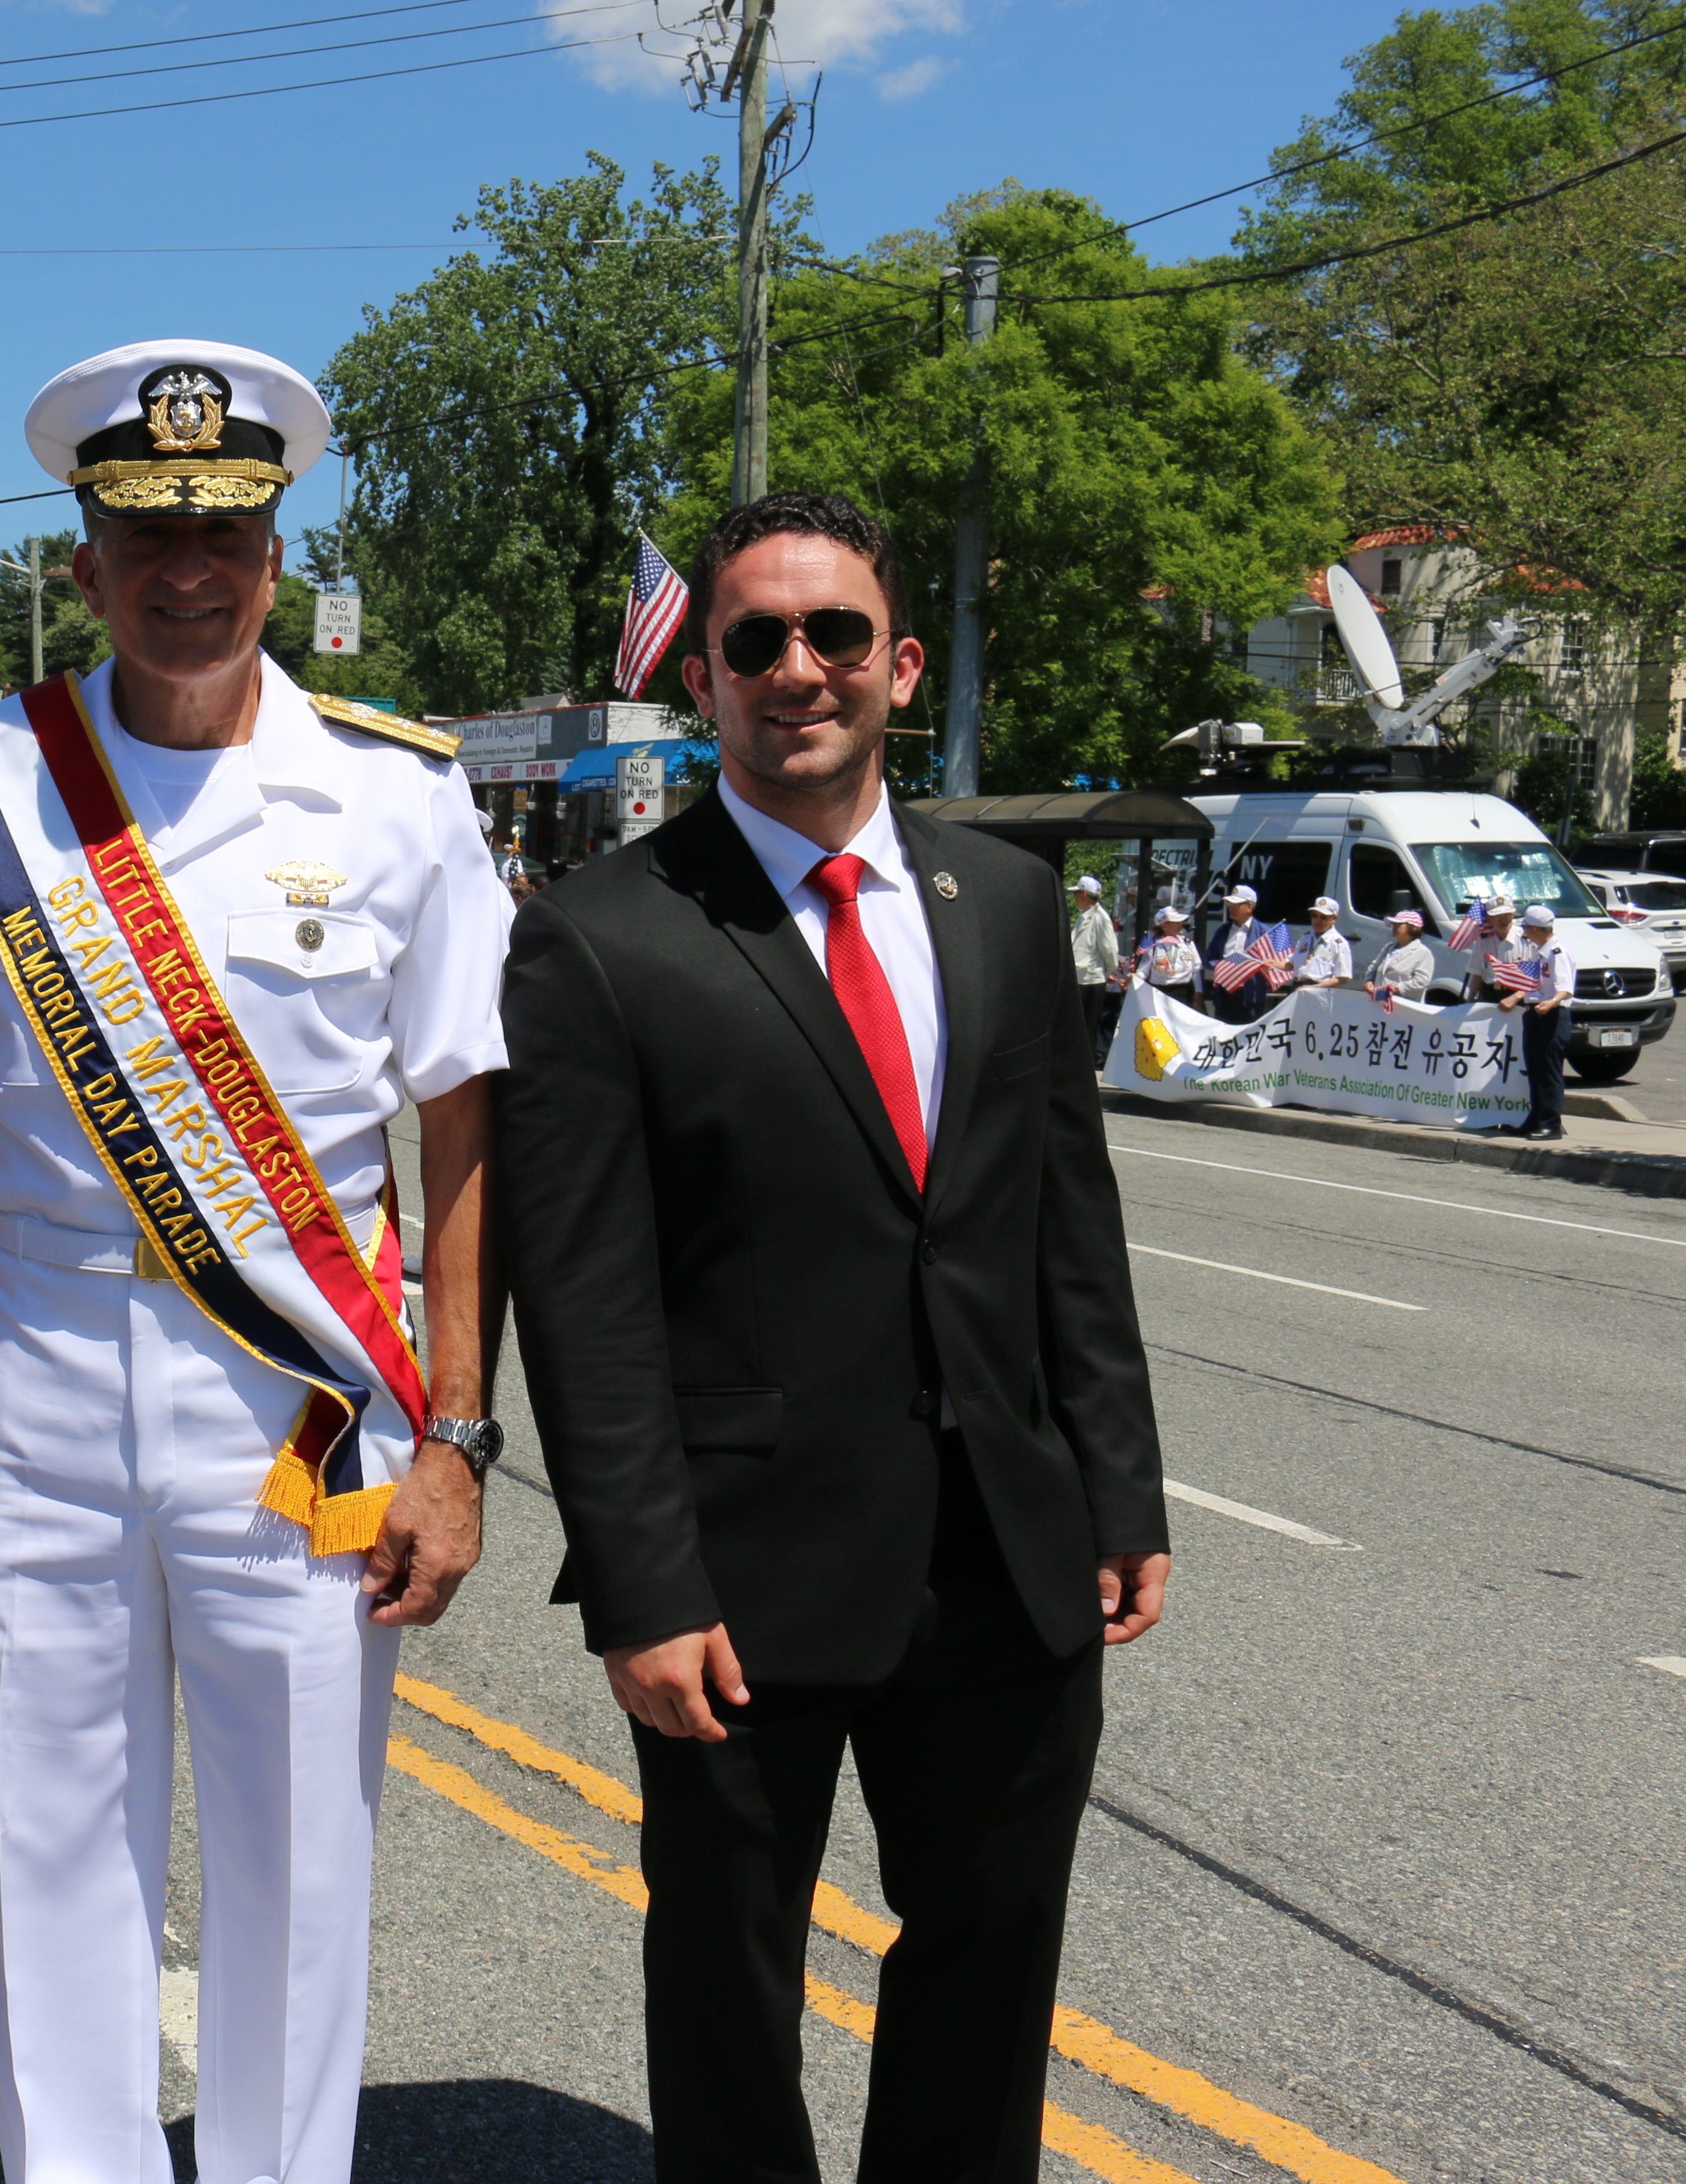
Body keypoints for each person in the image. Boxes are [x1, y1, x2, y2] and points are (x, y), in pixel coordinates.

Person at [0, 339, 510, 2184]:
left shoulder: (396, 796)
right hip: (43, 1361)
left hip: (303, 1389)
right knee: (49, 1828)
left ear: (279, 555)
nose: (188, 573)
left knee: (304, 1840)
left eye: (226, 535)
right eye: (147, 538)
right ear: (85, 560)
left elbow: (461, 1132)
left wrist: (458, 1437)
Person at [496, 490, 1168, 2184]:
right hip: (741, 1572)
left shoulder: (1005, 900)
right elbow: (584, 1293)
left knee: (993, 1949)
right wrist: (643, 1585)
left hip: (1004, 1548)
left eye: (837, 636)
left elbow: (1064, 1221)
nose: (801, 669)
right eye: (757, 640)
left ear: (902, 665)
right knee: (729, 1972)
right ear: (705, 675)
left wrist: (1120, 1485)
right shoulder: (603, 932)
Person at [1497, 901, 1575, 1139]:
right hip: (1534, 1013)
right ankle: (1535, 1119)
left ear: (1536, 929)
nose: (1524, 932)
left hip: (1551, 1015)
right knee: (1535, 1069)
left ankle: (1551, 1124)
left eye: (1527, 928)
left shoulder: (1557, 952)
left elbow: (1565, 988)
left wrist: (1552, 1002)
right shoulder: (1539, 952)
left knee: (1549, 1072)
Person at [1203, 883, 1283, 1024]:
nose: (1231, 908)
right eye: (1230, 904)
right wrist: (1221, 966)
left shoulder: (1264, 932)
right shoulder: (1223, 931)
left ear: (1250, 907)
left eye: (1236, 904)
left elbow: (1277, 962)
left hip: (1251, 995)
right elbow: (1209, 958)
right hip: (1225, 994)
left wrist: (1269, 966)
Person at [1067, 872, 1119, 1061]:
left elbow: (1110, 948)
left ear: (1084, 894)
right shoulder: (1085, 916)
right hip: (1081, 978)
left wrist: (1111, 971)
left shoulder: (1100, 917)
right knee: (1078, 1026)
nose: (1075, 898)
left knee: (1088, 1026)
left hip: (1091, 979)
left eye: (1076, 894)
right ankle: (1077, 1061)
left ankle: (1085, 1063)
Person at [1368, 906, 1433, 1001]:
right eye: (1393, 925)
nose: (1394, 927)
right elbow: (1373, 968)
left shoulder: (1423, 952)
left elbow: (1422, 981)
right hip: (1379, 1004)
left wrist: (1397, 988)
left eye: (1399, 925)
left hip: (1404, 1008)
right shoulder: (1388, 948)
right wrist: (1369, 981)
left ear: (1414, 928)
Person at [1140, 903, 1200, 1000]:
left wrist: (1198, 995)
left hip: (1184, 992)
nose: (1181, 924)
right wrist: (1135, 978)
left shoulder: (1188, 944)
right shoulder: (1153, 945)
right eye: (1176, 922)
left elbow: (1196, 972)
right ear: (1164, 926)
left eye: (1181, 921)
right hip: (1159, 993)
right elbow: (1143, 971)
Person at [1294, 895, 1355, 990]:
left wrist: (1315, 987)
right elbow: (1291, 964)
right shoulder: (1306, 938)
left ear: (1334, 919)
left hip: (1319, 991)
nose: (1318, 920)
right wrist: (1273, 963)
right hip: (1297, 986)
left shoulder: (1339, 944)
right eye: (1314, 915)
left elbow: (1344, 978)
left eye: (1323, 917)